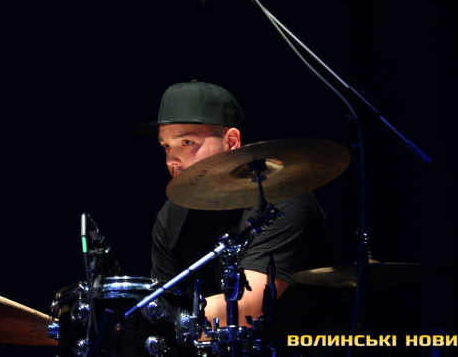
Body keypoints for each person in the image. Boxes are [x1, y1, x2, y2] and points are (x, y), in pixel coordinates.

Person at [136, 80, 340, 355]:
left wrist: (148, 319)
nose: (171, 160)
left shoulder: (284, 201)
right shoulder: (172, 214)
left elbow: (246, 308)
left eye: (187, 142)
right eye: (165, 146)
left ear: (231, 141)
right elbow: (164, 302)